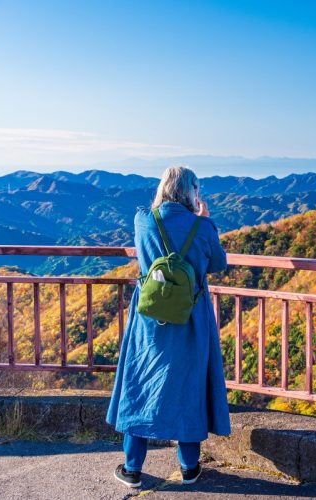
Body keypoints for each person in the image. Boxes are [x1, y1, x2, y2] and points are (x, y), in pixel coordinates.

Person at [106, 166, 231, 488]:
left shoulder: (143, 220)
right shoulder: (202, 227)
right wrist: (206, 219)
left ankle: (132, 468)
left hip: (150, 318)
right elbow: (218, 264)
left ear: (163, 187)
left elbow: (146, 233)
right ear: (192, 192)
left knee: (141, 381)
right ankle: (189, 467)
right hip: (191, 319)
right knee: (189, 385)